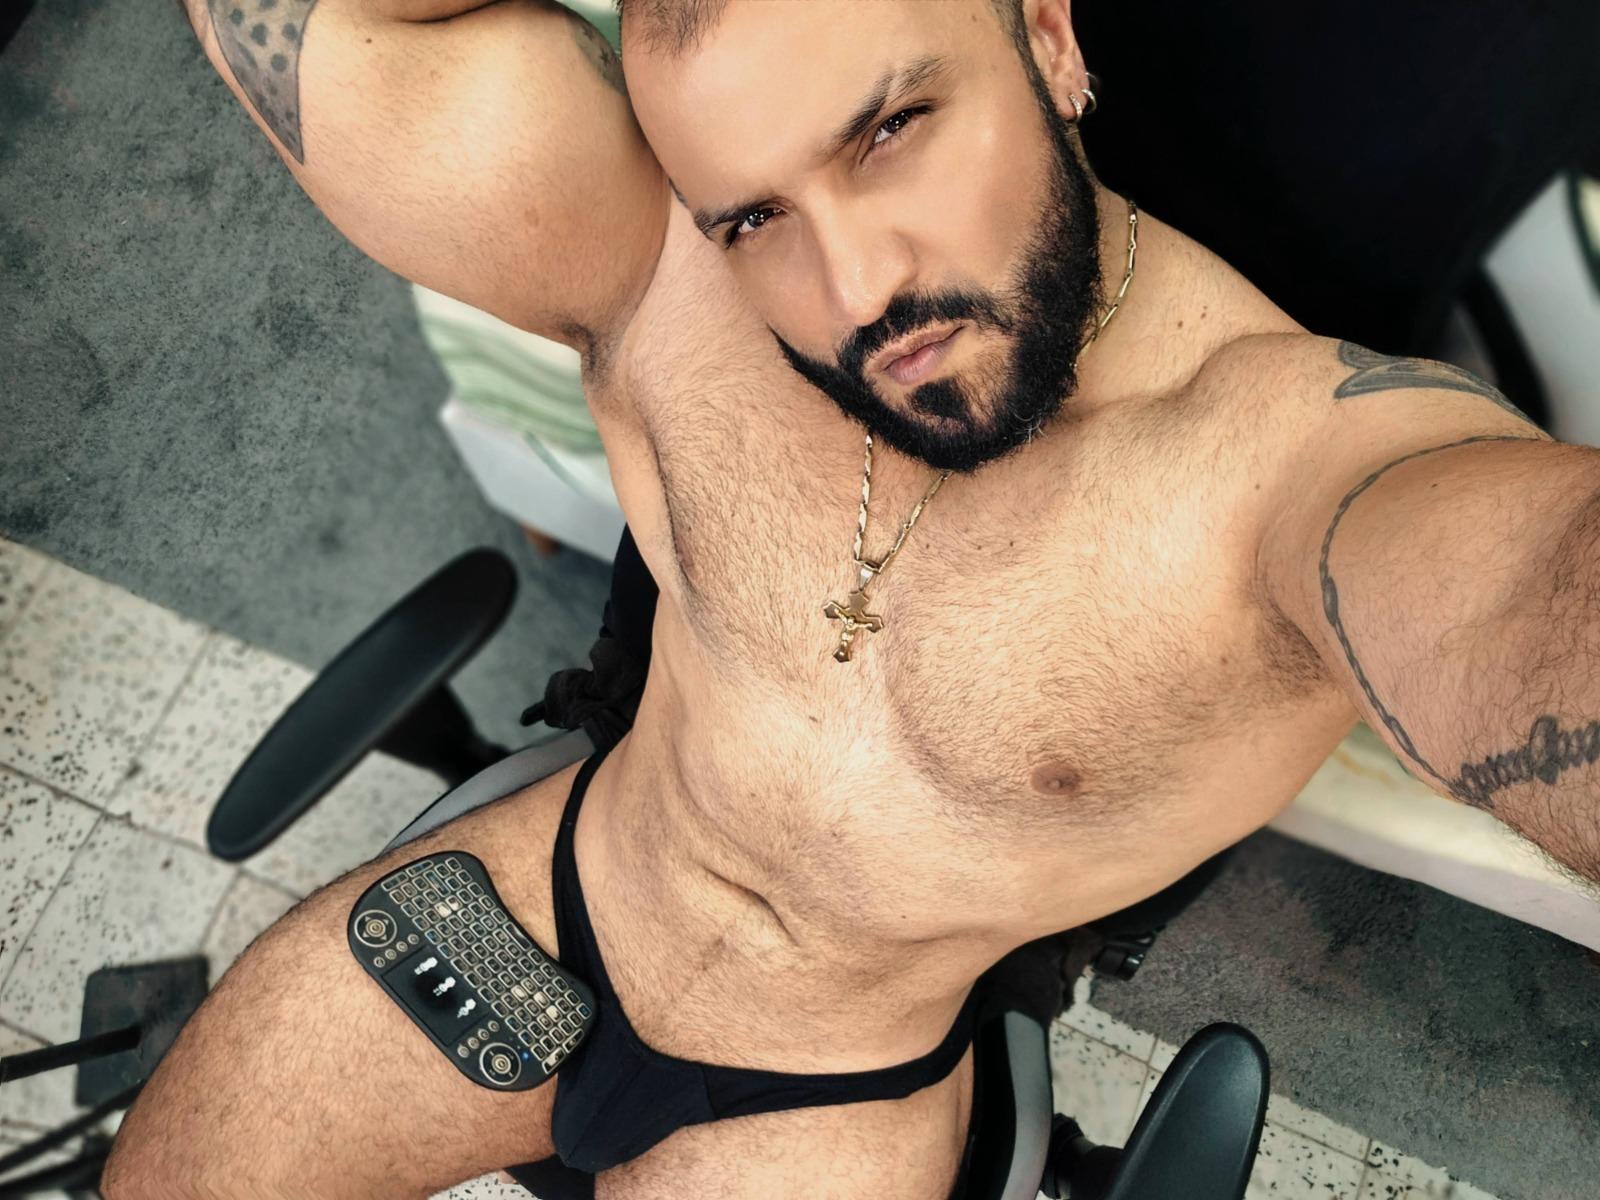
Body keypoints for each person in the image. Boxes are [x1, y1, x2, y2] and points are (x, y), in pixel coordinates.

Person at [103, 2, 1600, 1198]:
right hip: (547, 898)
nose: (858, 287)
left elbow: (1522, 598)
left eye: (887, 132)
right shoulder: (660, 270)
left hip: (827, 1092)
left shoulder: (1286, 461)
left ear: (1050, 38)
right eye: (756, 215)